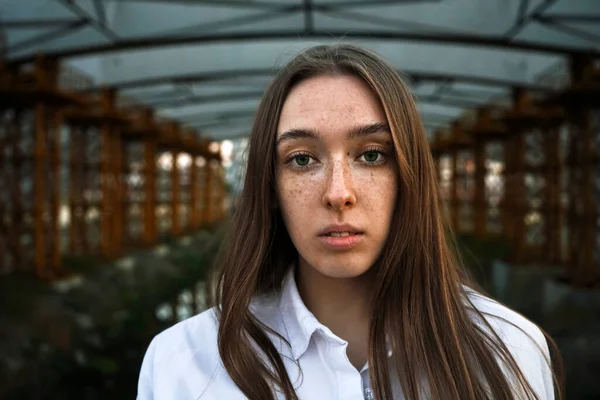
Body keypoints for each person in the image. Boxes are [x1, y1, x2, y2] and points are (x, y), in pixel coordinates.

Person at [137, 44, 562, 400]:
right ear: (270, 186)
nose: (338, 192)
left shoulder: (508, 350)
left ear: (409, 178)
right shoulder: (183, 364)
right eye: (302, 159)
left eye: (372, 155)